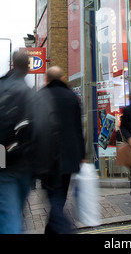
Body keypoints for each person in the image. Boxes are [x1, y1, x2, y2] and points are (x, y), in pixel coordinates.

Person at [40, 66, 85, 234]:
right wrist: (81, 155)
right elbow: (78, 129)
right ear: (62, 77)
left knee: (55, 199)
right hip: (69, 157)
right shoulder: (72, 96)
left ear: (47, 79)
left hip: (47, 157)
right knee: (59, 197)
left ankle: (66, 230)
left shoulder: (41, 96)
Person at [0, 51, 35, 234]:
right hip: (25, 165)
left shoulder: (2, 86)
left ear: (12, 64)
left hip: (4, 164)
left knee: (9, 215)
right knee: (16, 214)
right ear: (28, 68)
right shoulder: (29, 93)